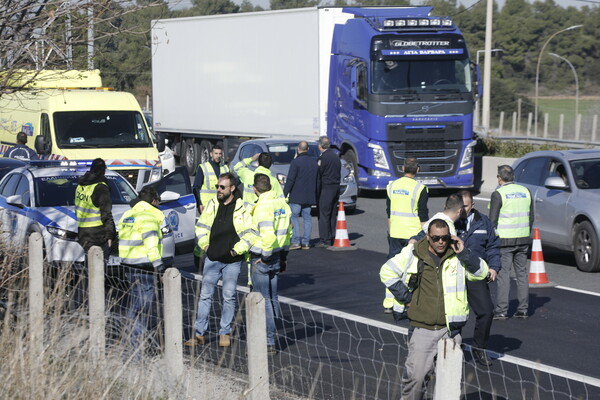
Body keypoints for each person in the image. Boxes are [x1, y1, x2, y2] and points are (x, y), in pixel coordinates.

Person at [379, 219, 488, 400]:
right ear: (428, 237)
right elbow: (386, 271)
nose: (440, 242)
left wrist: (465, 253)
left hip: (450, 331)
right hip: (423, 329)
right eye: (436, 237)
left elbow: (481, 274)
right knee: (416, 378)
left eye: (444, 238)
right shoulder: (413, 254)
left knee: (449, 384)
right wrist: (407, 298)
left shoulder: (459, 256)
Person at [185, 173, 255, 348]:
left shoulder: (242, 207)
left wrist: (234, 251)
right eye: (218, 186)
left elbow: (250, 234)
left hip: (232, 261)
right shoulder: (212, 204)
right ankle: (199, 334)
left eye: (222, 187)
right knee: (205, 296)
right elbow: (200, 227)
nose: (218, 190)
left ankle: (224, 333)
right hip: (212, 259)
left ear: (232, 188)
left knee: (229, 297)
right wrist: (205, 246)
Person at [456, 190, 501, 367]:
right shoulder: (451, 221)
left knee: (486, 312)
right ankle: (452, 350)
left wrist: (494, 267)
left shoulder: (483, 222)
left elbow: (493, 246)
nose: (462, 210)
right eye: (460, 206)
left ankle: (479, 348)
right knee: (454, 315)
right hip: (455, 276)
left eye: (465, 206)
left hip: (475, 275)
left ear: (472, 205)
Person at [249, 173, 292, 355]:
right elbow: (288, 232)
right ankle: (271, 335)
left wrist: (265, 257)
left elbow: (268, 235)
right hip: (278, 254)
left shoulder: (263, 206)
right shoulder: (282, 203)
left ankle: (268, 341)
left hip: (263, 256)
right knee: (273, 298)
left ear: (255, 189)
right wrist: (283, 257)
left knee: (263, 300)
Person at [118, 186, 166, 346]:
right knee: (142, 309)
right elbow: (151, 245)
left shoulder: (128, 214)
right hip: (144, 267)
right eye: (158, 201)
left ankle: (129, 341)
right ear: (153, 201)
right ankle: (135, 348)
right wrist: (160, 267)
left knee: (135, 304)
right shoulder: (148, 217)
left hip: (129, 265)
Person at [383, 157, 429, 315]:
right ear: (418, 170)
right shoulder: (420, 188)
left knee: (392, 267)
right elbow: (423, 215)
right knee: (408, 270)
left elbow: (389, 212)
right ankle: (401, 303)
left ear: (403, 168)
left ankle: (388, 302)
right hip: (413, 235)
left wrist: (390, 230)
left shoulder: (392, 186)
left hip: (395, 232)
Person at [490, 165, 533, 320]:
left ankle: (502, 310)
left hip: (504, 241)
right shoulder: (525, 191)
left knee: (503, 275)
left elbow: (492, 221)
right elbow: (531, 218)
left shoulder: (498, 194)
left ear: (499, 178)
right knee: (522, 274)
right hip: (523, 239)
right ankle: (523, 309)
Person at [75, 158, 116, 263]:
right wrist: (110, 235)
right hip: (97, 234)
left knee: (89, 265)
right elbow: (106, 214)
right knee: (99, 266)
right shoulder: (100, 188)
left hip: (83, 232)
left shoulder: (81, 185)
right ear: (103, 171)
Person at [283, 141, 319, 250]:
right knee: (307, 218)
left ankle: (295, 241)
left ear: (298, 149)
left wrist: (284, 193)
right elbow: (318, 180)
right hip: (309, 196)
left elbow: (290, 180)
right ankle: (306, 242)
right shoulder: (314, 162)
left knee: (294, 217)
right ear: (307, 149)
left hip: (296, 196)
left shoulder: (295, 162)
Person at [316, 136, 341, 248]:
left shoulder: (323, 158)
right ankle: (332, 235)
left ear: (321, 146)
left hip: (326, 187)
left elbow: (319, 172)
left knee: (324, 213)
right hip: (335, 187)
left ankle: (324, 239)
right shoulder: (336, 157)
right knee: (332, 213)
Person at [192, 145, 229, 214]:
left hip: (221, 205)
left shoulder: (225, 168)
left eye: (220, 154)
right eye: (216, 153)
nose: (218, 156)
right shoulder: (203, 167)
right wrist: (199, 204)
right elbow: (196, 187)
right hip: (207, 205)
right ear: (211, 154)